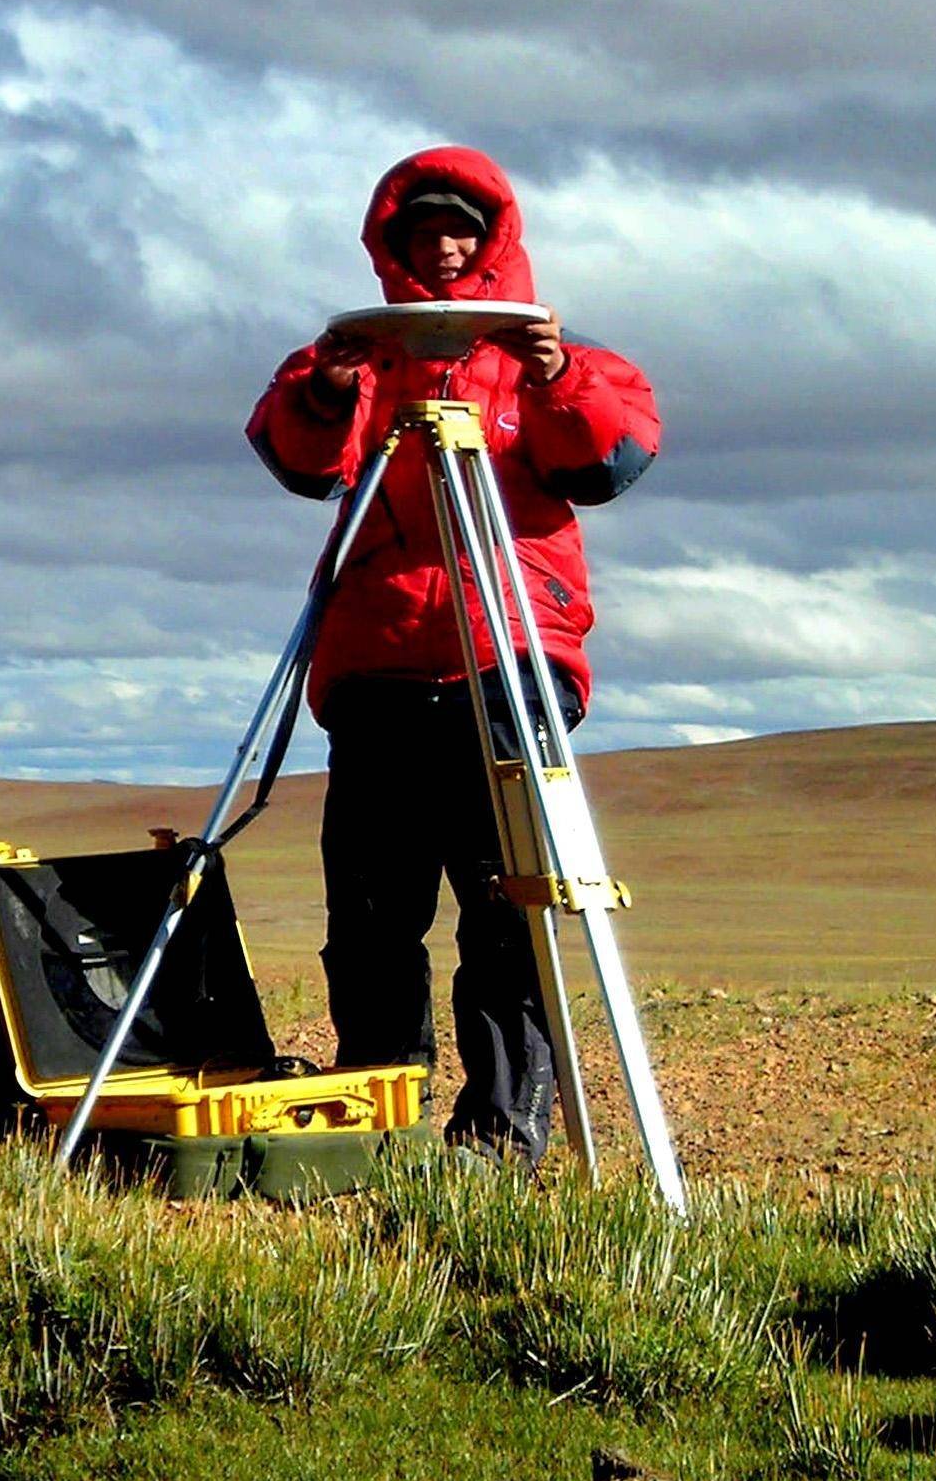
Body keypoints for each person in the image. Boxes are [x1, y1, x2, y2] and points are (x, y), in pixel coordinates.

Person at [243, 148, 661, 1160]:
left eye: (460, 230)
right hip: (380, 666)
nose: (442, 248)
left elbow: (607, 461)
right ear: (392, 244)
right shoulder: (348, 361)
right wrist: (333, 391)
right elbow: (296, 459)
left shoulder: (562, 358)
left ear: (495, 239)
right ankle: (378, 1126)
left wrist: (555, 377)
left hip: (509, 655)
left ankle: (500, 1137)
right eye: (422, 231)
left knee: (508, 905)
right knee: (374, 916)